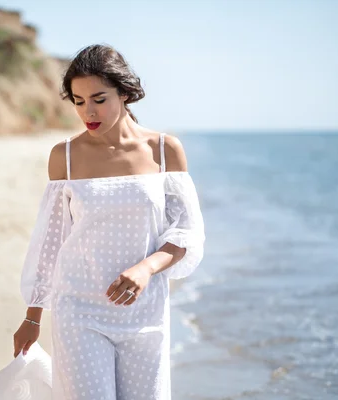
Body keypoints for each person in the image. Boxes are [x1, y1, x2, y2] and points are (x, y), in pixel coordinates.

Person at [13, 44, 205, 399]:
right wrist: (33, 316)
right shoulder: (65, 157)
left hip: (145, 314)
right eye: (79, 101)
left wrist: (147, 268)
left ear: (126, 93)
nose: (88, 111)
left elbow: (185, 232)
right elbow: (52, 240)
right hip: (79, 310)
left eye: (99, 99)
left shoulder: (165, 151)